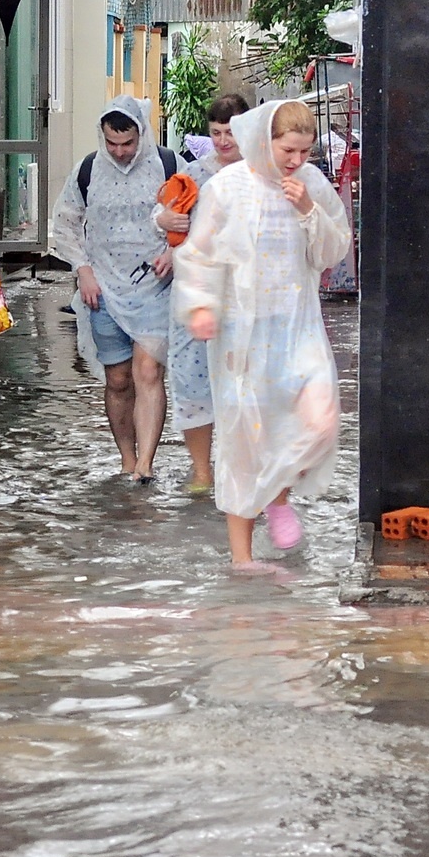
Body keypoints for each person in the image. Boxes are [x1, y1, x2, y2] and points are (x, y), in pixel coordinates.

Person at [173, 100, 351, 568]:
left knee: (320, 420)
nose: (296, 161)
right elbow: (197, 254)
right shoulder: (227, 187)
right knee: (244, 437)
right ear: (264, 140)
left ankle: (277, 496)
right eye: (288, 150)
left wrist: (309, 208)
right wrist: (201, 306)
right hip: (241, 333)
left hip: (297, 324)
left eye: (305, 152)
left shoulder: (309, 184)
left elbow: (334, 252)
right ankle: (242, 560)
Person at [52, 94, 175, 483]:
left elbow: (199, 214)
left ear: (142, 134)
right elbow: (65, 223)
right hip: (103, 288)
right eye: (112, 143)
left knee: (148, 371)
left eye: (128, 143)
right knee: (118, 379)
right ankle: (126, 457)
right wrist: (82, 269)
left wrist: (175, 250)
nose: (120, 152)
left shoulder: (169, 166)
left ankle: (145, 464)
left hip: (155, 286)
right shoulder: (87, 170)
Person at [155, 92, 251, 495]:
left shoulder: (263, 172)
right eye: (216, 133)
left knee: (245, 383)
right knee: (192, 380)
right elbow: (162, 211)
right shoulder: (192, 174)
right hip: (197, 293)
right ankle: (201, 470)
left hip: (246, 293)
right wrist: (164, 220)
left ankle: (242, 467)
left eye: (231, 132)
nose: (224, 141)